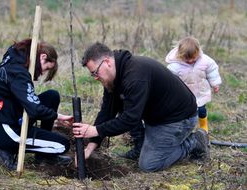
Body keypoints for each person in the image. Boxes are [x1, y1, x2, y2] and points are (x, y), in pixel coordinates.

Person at [72, 42, 210, 172]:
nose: (95, 77)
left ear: (107, 62)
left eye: (95, 72)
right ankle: (141, 144)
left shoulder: (135, 76)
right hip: (157, 116)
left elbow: (130, 119)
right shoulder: (114, 76)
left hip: (178, 119)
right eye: (92, 75)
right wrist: (90, 147)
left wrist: (95, 130)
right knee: (123, 105)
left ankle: (195, 142)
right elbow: (107, 111)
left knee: (149, 164)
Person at [0, 38, 73, 170]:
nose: (42, 73)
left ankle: (42, 156)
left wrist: (53, 115)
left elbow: (30, 103)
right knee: (62, 145)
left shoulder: (14, 61)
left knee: (51, 96)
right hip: (6, 131)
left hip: (11, 116)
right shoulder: (18, 73)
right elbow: (35, 110)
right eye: (46, 68)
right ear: (42, 57)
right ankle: (5, 149)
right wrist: (57, 117)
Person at [165, 36, 222, 133]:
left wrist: (215, 84)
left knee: (201, 110)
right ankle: (185, 128)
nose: (191, 61)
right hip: (184, 94)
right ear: (180, 54)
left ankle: (203, 126)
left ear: (198, 52)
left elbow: (212, 71)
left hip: (200, 92)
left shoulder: (205, 61)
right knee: (185, 113)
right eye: (187, 59)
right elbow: (170, 80)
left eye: (193, 58)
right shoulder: (174, 66)